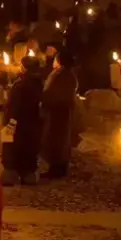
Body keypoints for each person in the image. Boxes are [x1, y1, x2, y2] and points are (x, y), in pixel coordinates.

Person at [1, 57, 44, 186]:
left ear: (24, 68)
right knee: (29, 148)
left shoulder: (22, 85)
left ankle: (10, 175)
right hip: (33, 122)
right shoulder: (39, 83)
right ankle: (28, 175)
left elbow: (15, 105)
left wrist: (10, 122)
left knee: (11, 145)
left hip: (17, 121)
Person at [41, 50, 79, 179]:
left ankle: (57, 168)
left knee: (55, 139)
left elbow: (52, 92)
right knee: (61, 139)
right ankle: (60, 167)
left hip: (57, 111)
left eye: (55, 59)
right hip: (63, 110)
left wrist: (44, 101)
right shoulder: (68, 75)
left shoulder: (60, 75)